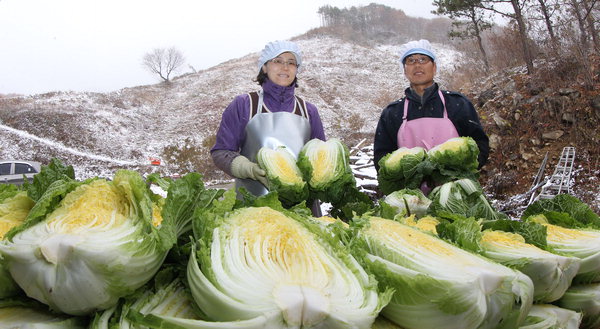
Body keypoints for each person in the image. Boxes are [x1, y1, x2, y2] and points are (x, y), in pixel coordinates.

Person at [211, 40, 326, 212]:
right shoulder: (244, 105)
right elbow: (221, 152)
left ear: (297, 69)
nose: (285, 67)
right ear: (264, 67)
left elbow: (321, 157)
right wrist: (248, 168)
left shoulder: (308, 111)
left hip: (302, 207)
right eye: (277, 61)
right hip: (254, 205)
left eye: (291, 62)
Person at [374, 39, 489, 173]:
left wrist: (457, 172)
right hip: (411, 192)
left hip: (452, 190)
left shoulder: (458, 104)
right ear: (404, 71)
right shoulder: (392, 113)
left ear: (434, 67)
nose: (417, 65)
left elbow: (480, 145)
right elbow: (381, 158)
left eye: (423, 59)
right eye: (410, 61)